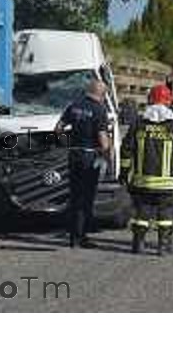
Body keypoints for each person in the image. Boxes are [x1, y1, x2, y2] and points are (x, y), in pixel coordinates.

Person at [120, 84, 173, 255]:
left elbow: (126, 149)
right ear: (168, 102)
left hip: (142, 181)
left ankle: (138, 244)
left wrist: (124, 173)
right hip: (166, 185)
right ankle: (163, 246)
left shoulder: (139, 124)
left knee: (142, 214)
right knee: (165, 216)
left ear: (150, 100)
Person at [57, 79, 111, 248]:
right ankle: (80, 236)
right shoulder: (100, 110)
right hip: (90, 156)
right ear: (101, 94)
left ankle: (73, 235)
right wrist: (107, 153)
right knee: (86, 197)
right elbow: (103, 140)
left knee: (74, 194)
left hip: (74, 154)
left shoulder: (73, 105)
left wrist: (66, 143)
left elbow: (58, 128)